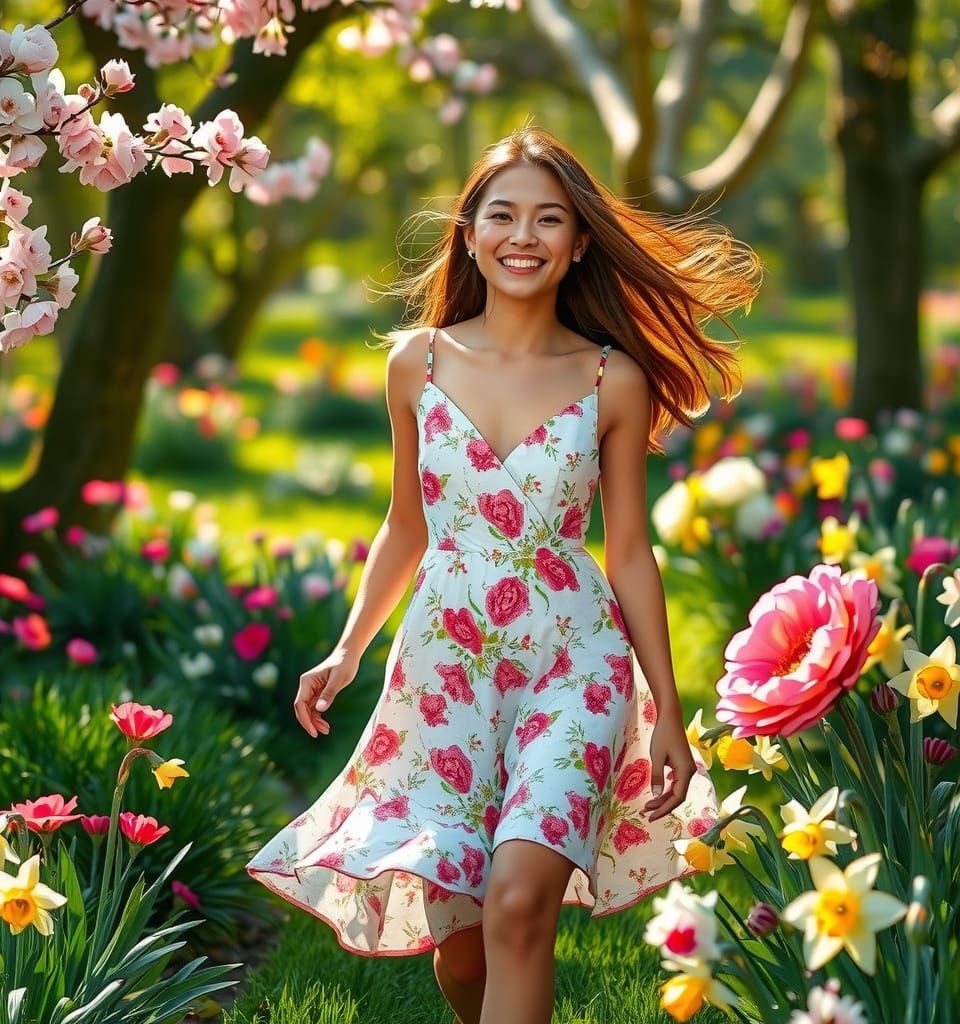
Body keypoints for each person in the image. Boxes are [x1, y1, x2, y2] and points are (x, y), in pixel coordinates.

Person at [247, 122, 763, 1024]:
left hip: (575, 667)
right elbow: (407, 525)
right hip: (445, 675)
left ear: (579, 244)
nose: (524, 236)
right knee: (465, 951)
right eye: (503, 215)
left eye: (549, 219)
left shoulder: (614, 378)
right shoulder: (418, 363)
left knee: (520, 906)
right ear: (471, 232)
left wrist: (669, 712)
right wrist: (346, 651)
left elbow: (630, 552)